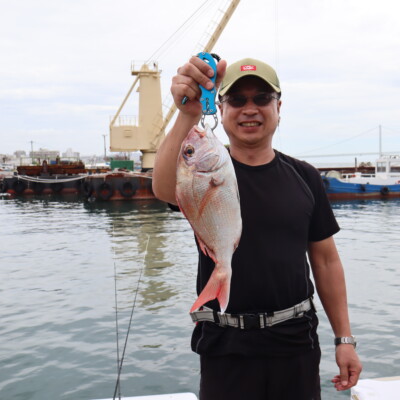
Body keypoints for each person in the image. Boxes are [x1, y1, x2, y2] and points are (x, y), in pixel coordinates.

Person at [153, 56, 362, 399]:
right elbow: (163, 188)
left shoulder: (305, 176)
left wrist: (345, 340)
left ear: (279, 107)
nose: (249, 108)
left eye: (262, 99)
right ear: (220, 108)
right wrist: (187, 112)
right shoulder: (202, 173)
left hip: (295, 340)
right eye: (237, 99)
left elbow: (325, 262)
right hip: (225, 345)